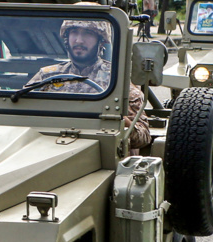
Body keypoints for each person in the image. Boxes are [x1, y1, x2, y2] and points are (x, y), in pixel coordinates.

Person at [23, 16, 150, 152]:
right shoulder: (47, 76)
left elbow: (143, 137)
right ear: (67, 38)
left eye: (87, 33)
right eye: (74, 33)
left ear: (100, 40)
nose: (79, 40)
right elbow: (19, 114)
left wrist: (119, 120)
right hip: (47, 149)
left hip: (101, 154)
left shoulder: (116, 79)